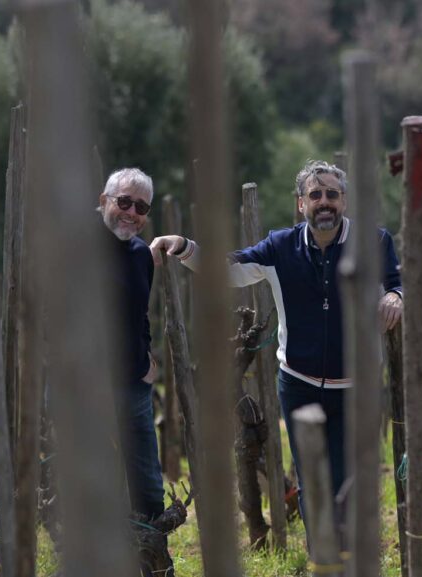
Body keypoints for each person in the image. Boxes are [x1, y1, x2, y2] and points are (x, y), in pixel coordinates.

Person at [150, 159, 402, 508]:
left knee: (350, 486)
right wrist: (184, 246)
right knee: (311, 486)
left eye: (332, 194)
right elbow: (230, 269)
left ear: (344, 201)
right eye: (315, 195)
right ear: (301, 204)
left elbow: (396, 283)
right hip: (298, 386)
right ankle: (322, 561)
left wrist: (394, 296)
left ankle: (350, 560)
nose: (324, 201)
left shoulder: (374, 241)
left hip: (357, 388)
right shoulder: (280, 246)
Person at [98, 168, 165, 522]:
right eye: (124, 201)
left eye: (141, 207)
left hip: (133, 389)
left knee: (149, 488)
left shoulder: (141, 255)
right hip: (85, 388)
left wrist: (146, 362)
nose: (132, 213)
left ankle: (155, 565)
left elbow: (140, 315)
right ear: (104, 201)